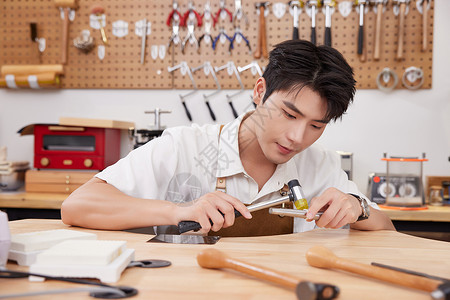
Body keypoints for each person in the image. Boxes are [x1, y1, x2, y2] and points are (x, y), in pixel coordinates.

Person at [61, 40, 395, 234]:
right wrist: (178, 211)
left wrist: (357, 207)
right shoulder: (185, 146)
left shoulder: (319, 164)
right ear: (260, 92)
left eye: (316, 126)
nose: (296, 137)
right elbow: (76, 206)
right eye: (289, 114)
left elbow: (388, 231)